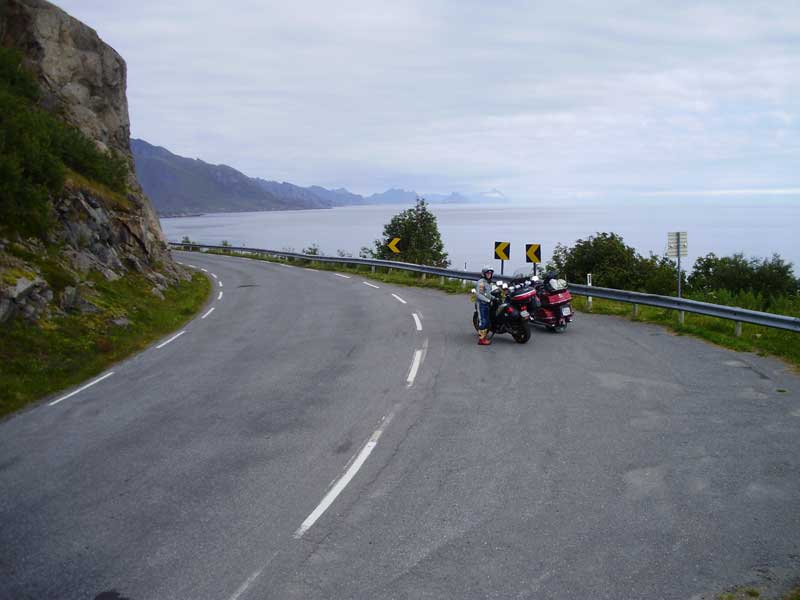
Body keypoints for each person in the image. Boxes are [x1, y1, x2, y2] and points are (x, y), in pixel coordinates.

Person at [475, 265, 494, 345]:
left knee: (487, 321)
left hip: (487, 304)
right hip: (481, 304)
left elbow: (488, 294)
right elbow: (479, 294)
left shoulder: (489, 282)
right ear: (484, 274)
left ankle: (484, 337)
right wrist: (488, 300)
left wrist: (494, 298)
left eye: (490, 273)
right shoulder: (481, 282)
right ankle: (481, 340)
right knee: (483, 321)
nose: (489, 274)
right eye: (487, 273)